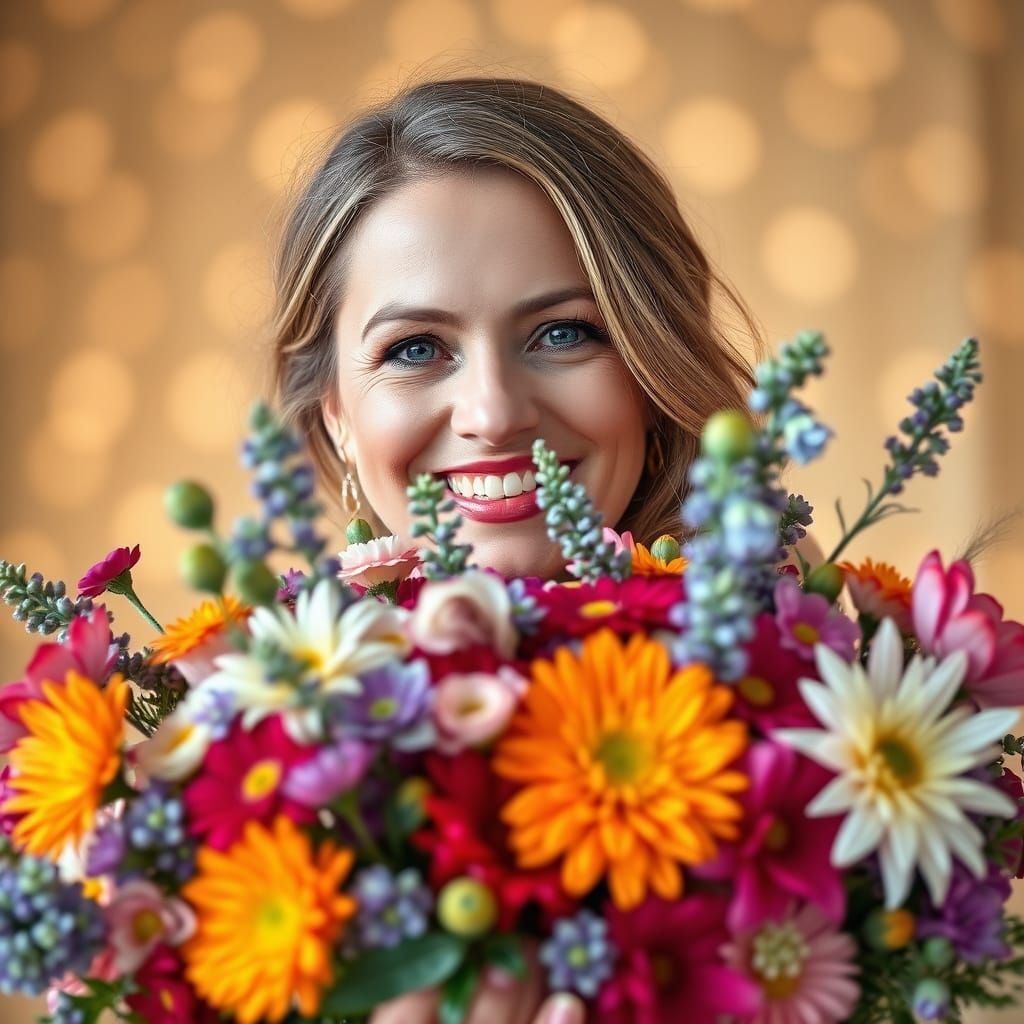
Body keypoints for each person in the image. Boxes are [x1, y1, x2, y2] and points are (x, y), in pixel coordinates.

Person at [269, 75, 767, 1023]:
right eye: (417, 348)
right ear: (334, 411)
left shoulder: (814, 720)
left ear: (653, 372)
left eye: (564, 332)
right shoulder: (241, 766)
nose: (494, 414)